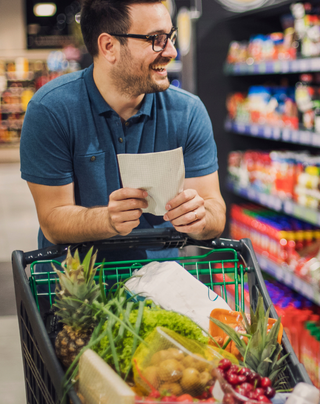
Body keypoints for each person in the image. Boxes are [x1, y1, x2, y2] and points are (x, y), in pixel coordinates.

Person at [20, 0, 226, 261]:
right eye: (156, 39)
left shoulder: (187, 111)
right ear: (109, 47)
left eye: (170, 37)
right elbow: (52, 218)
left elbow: (215, 210)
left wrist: (200, 217)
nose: (172, 51)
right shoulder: (51, 110)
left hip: (161, 289)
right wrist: (107, 219)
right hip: (73, 291)